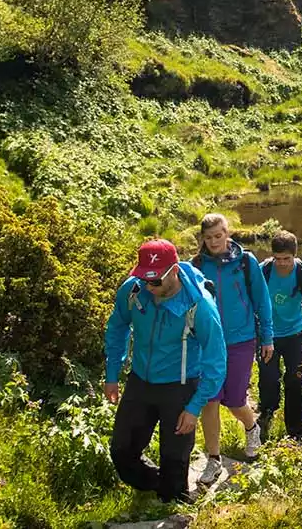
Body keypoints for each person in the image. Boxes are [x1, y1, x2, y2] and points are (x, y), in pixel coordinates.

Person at [103, 238, 226, 504]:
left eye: (156, 281)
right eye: (144, 279)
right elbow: (117, 329)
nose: (149, 286)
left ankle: (173, 498)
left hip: (180, 387)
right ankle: (155, 482)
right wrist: (112, 374)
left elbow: (216, 362)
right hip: (140, 382)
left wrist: (194, 408)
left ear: (174, 271)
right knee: (121, 452)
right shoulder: (133, 291)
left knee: (175, 462)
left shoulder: (200, 306)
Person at [192, 213, 273, 486]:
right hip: (208, 343)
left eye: (219, 235)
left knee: (235, 401)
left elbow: (262, 301)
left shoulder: (246, 262)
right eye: (209, 237)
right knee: (209, 399)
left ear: (228, 234)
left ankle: (252, 428)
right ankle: (213, 460)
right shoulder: (196, 265)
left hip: (241, 340)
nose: (214, 241)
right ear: (202, 239)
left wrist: (268, 338)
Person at [259, 230, 302, 441]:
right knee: (269, 379)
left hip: (294, 334)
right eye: (277, 258)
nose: (281, 263)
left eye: (286, 259)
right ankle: (266, 415)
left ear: (295, 255)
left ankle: (295, 425)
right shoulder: (263, 271)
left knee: (295, 379)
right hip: (267, 335)